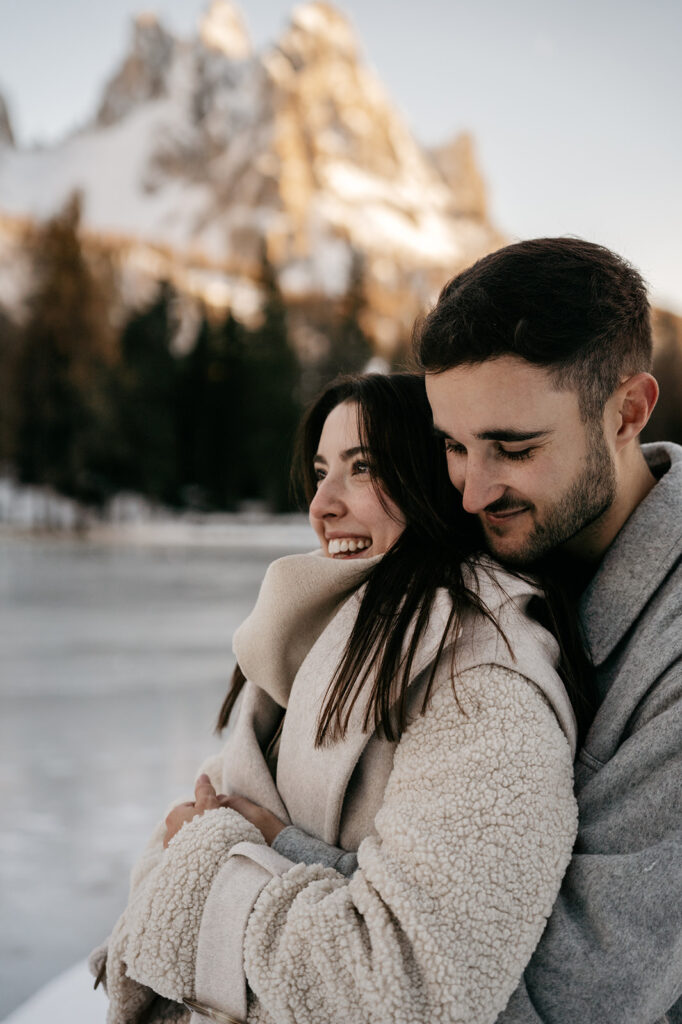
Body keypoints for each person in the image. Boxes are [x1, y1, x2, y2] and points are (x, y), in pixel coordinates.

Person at [92, 372, 586, 1024]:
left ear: (432, 479)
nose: (321, 504)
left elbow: (407, 986)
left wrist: (219, 859)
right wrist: (212, 848)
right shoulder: (323, 642)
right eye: (321, 471)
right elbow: (188, 830)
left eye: (362, 469)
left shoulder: (484, 684)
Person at [414, 236, 682, 1024]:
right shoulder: (497, 544)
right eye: (454, 447)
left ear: (628, 411)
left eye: (515, 448)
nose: (472, 491)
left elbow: (573, 1000)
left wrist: (270, 864)